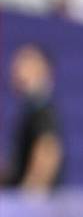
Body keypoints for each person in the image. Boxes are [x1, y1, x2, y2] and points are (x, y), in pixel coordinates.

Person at [4, 43, 64, 192]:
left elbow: (48, 152)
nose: (16, 68)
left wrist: (30, 195)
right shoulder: (30, 108)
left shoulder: (41, 108)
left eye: (25, 62)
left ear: (41, 69)